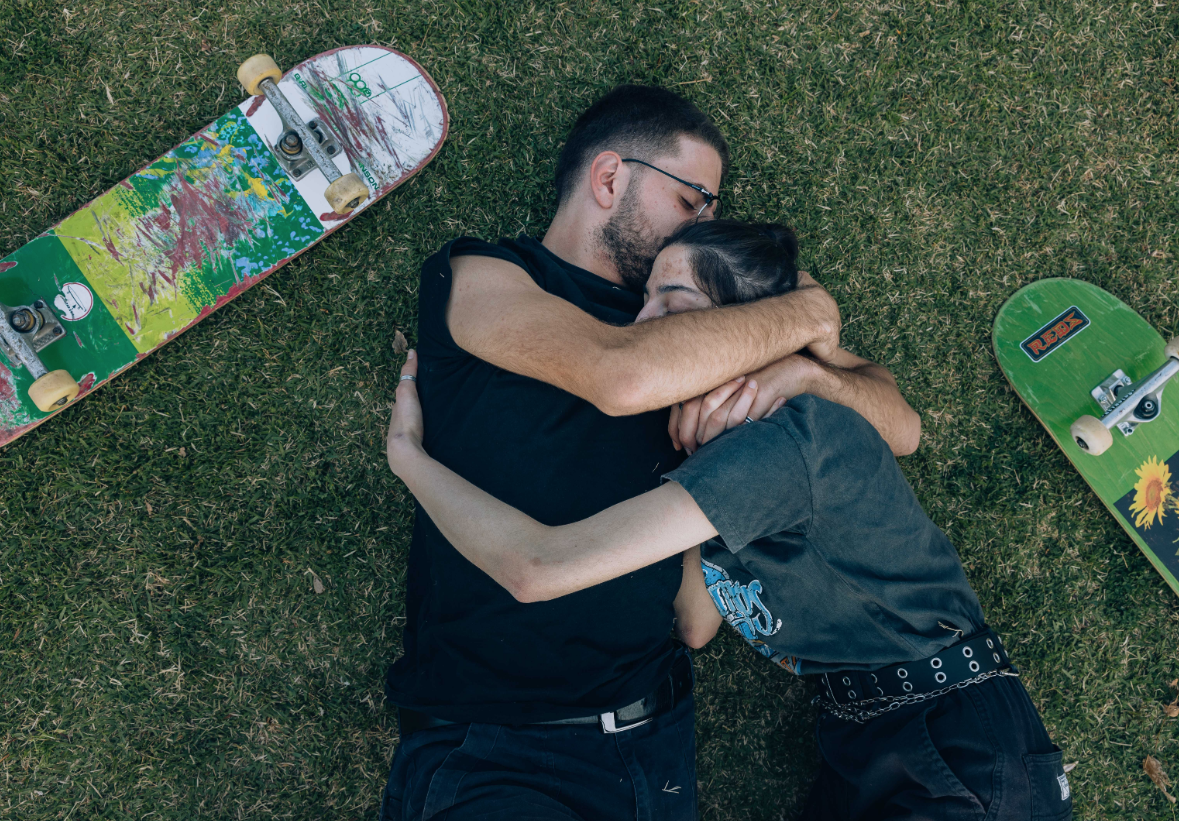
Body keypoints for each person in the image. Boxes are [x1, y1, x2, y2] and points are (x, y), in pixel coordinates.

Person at [386, 220, 1072, 821]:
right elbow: (695, 620)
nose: (639, 321)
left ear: (736, 330)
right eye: (646, 296)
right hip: (866, 735)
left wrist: (411, 460)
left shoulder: (782, 447)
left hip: (961, 751)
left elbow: (538, 569)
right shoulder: (729, 454)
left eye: (671, 302)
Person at [380, 85, 921, 820]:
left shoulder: (716, 319)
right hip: (498, 747)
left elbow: (898, 428)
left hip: (653, 741)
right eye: (694, 199)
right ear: (610, 179)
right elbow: (620, 375)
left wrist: (804, 369)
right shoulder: (485, 276)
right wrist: (807, 311)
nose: (708, 222)